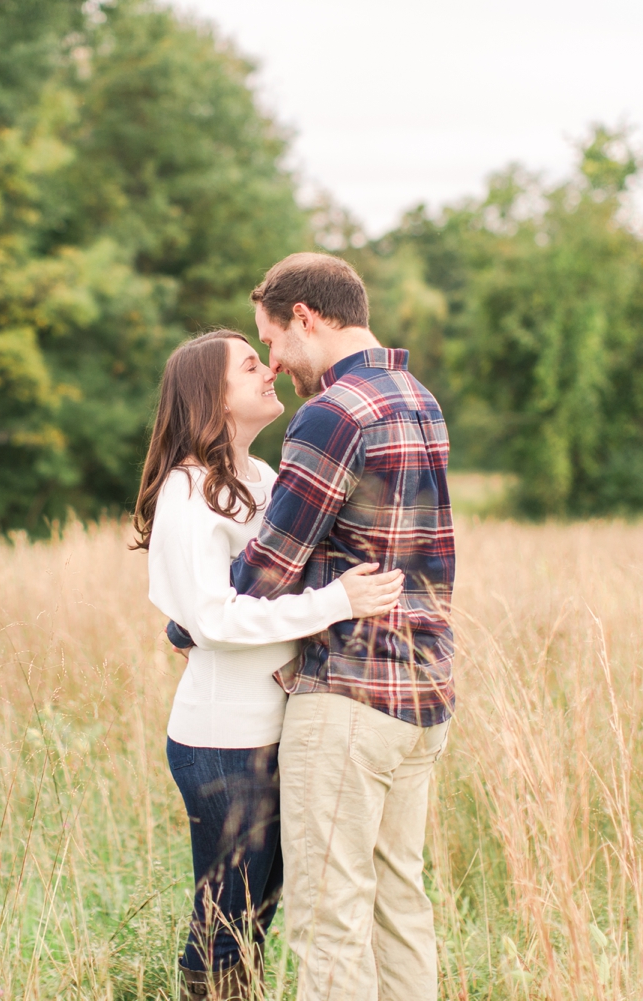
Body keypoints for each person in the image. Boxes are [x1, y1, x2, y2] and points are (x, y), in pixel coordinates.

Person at [167, 254, 456, 1001]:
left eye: (273, 341)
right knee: (401, 907)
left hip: (350, 695)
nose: (275, 363)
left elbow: (269, 566)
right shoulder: (418, 398)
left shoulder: (332, 413)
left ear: (305, 317)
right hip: (423, 692)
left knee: (328, 920)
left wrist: (186, 623)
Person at [133, 329, 406, 1001]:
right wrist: (335, 602)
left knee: (261, 910)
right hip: (223, 739)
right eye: (251, 366)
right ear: (211, 395)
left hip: (277, 728)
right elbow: (217, 619)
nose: (270, 370)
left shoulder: (264, 478)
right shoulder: (187, 490)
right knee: (228, 919)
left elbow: (257, 585)